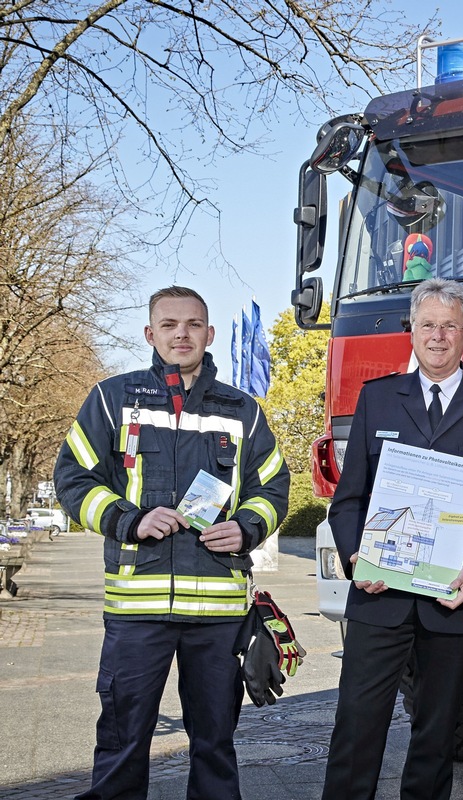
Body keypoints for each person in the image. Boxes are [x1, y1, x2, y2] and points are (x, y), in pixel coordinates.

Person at [54, 285, 290, 800]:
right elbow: (72, 478)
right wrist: (127, 519)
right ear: (150, 333)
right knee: (122, 742)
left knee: (214, 746)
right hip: (137, 607)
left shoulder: (243, 410)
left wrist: (247, 526)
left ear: (207, 333)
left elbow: (272, 487)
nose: (181, 334)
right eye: (169, 325)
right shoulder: (111, 399)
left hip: (218, 613)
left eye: (193, 325)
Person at [321, 278, 463, 800]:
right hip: (378, 595)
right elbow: (348, 500)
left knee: (437, 737)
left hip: (455, 599)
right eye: (428, 325)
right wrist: (355, 558)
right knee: (355, 727)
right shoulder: (378, 399)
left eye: (450, 326)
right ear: (411, 332)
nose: (438, 336)